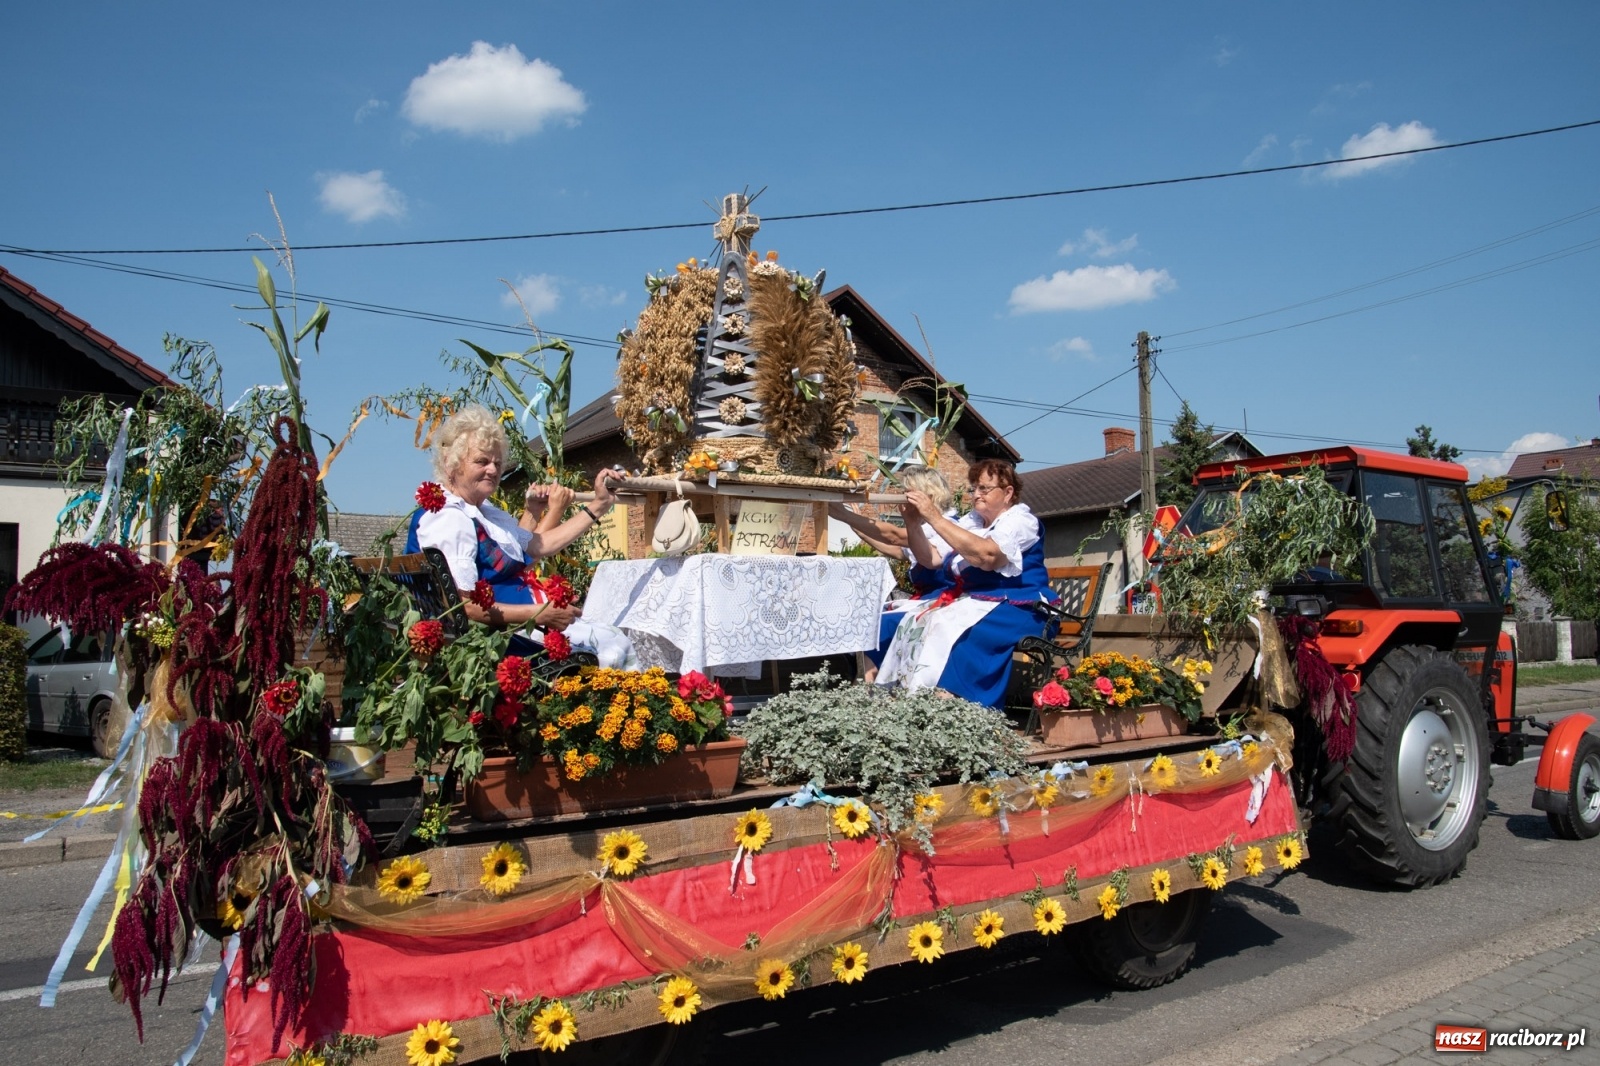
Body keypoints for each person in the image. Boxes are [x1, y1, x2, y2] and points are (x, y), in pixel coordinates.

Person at [407, 405, 636, 667]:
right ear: (452, 464)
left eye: (497, 462)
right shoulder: (449, 517)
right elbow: (463, 606)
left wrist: (598, 505)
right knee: (614, 643)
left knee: (612, 637)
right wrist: (540, 614)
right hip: (500, 641)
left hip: (515, 629)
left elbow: (540, 545)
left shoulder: (478, 512)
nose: (492, 470)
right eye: (481, 461)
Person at [874, 458, 1055, 706]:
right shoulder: (972, 522)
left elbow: (987, 556)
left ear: (1008, 492)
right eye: (974, 488)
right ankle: (906, 698)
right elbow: (931, 559)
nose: (976, 494)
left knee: (946, 626)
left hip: (1023, 608)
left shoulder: (1021, 521)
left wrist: (934, 517)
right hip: (980, 603)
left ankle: (960, 704)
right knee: (915, 620)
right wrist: (913, 522)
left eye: (984, 488)